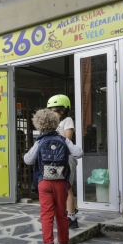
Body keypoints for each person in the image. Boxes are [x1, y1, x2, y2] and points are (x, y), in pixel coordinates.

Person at [24, 109, 82, 244]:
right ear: (55, 123)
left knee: (46, 215)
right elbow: (79, 153)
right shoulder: (63, 140)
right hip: (62, 181)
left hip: (44, 182)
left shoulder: (39, 141)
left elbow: (28, 160)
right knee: (61, 214)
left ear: (38, 125)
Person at [47, 94, 79, 228]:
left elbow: (67, 138)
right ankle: (64, 213)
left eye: (55, 111)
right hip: (54, 157)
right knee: (57, 187)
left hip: (67, 157)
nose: (53, 113)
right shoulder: (52, 123)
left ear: (63, 110)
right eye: (51, 111)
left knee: (67, 188)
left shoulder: (68, 120)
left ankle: (72, 217)